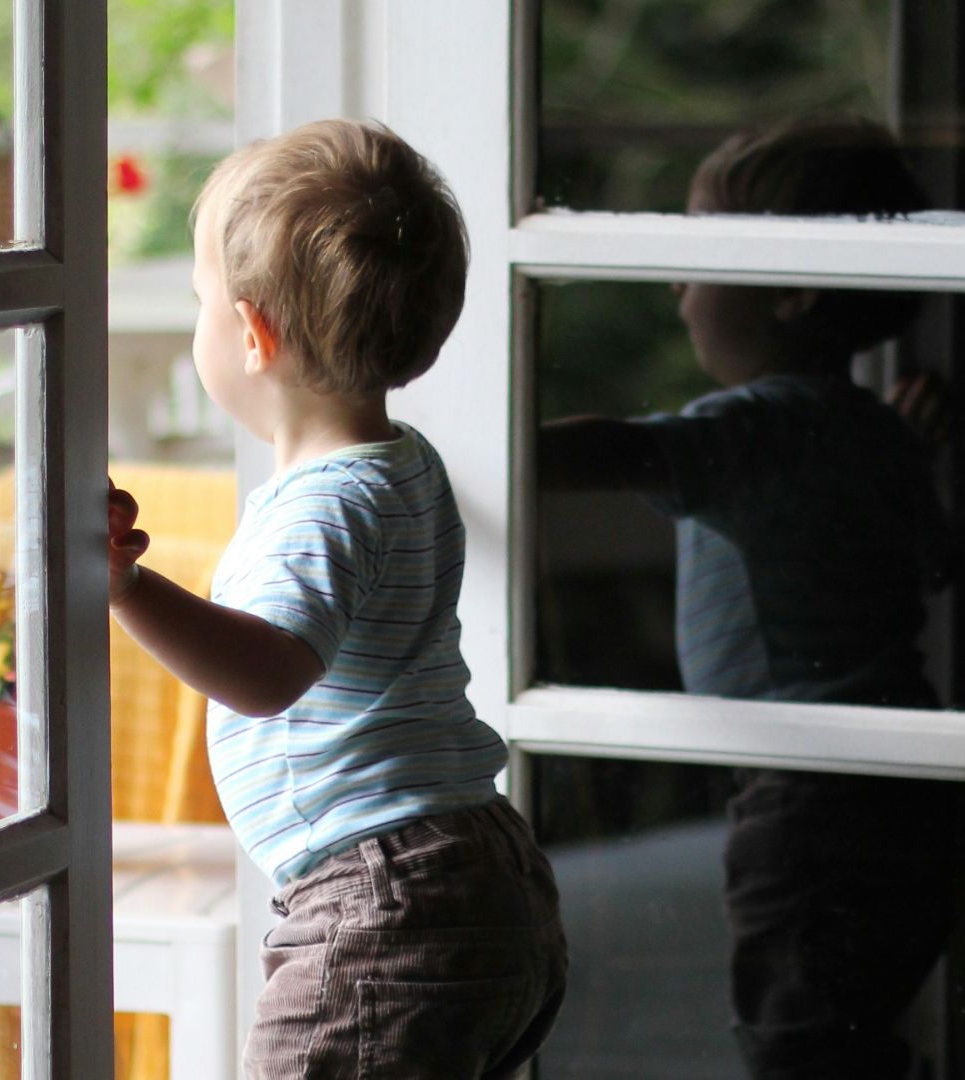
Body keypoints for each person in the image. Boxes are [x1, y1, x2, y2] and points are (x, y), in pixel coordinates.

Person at [105, 119, 567, 1079]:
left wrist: (129, 588)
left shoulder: (326, 505)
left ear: (251, 335)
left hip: (384, 899)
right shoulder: (403, 466)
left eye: (199, 301)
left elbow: (268, 672)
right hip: (482, 865)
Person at [540, 121, 962, 1078]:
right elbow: (937, 562)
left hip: (809, 790)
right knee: (854, 1030)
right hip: (909, 780)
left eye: (700, 257)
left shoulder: (754, 425)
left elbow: (624, 450)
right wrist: (905, 453)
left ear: (790, 291)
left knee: (795, 1042)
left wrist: (479, 443)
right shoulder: (871, 431)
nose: (677, 289)